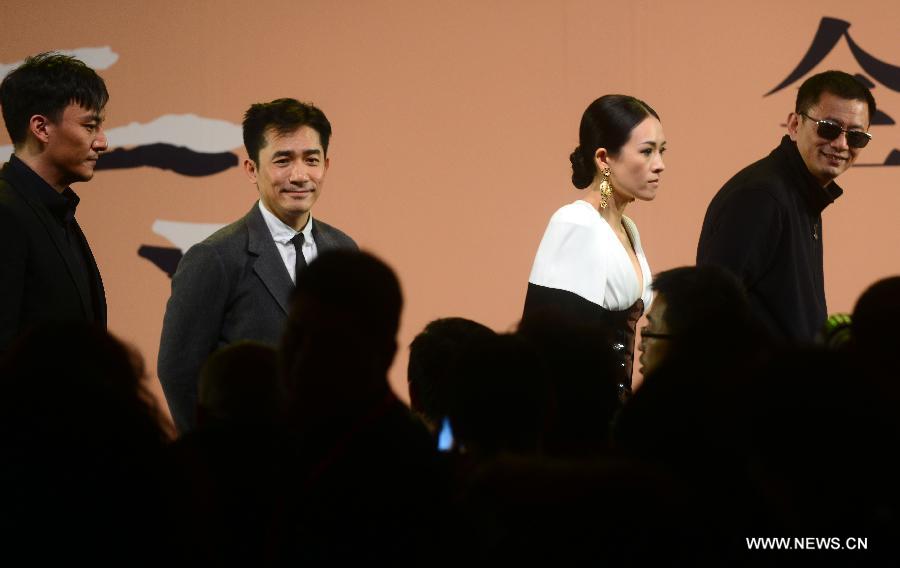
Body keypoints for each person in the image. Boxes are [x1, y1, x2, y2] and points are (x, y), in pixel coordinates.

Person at [158, 98, 357, 434]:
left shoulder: (343, 252)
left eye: (312, 160)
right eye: (282, 160)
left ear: (326, 165)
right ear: (251, 169)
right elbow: (178, 372)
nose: (299, 175)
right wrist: (212, 457)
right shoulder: (215, 257)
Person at [697, 70, 875, 343]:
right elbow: (710, 312)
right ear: (794, 125)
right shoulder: (761, 197)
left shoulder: (803, 193)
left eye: (856, 137)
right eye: (828, 128)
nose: (841, 144)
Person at [523, 94, 666, 392]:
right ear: (603, 159)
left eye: (661, 151)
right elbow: (552, 355)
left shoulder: (626, 228)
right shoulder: (576, 224)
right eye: (647, 151)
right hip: (580, 425)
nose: (659, 165)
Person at [0, 52, 109, 353]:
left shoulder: (60, 214)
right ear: (41, 128)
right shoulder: (6, 213)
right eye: (90, 126)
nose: (102, 142)